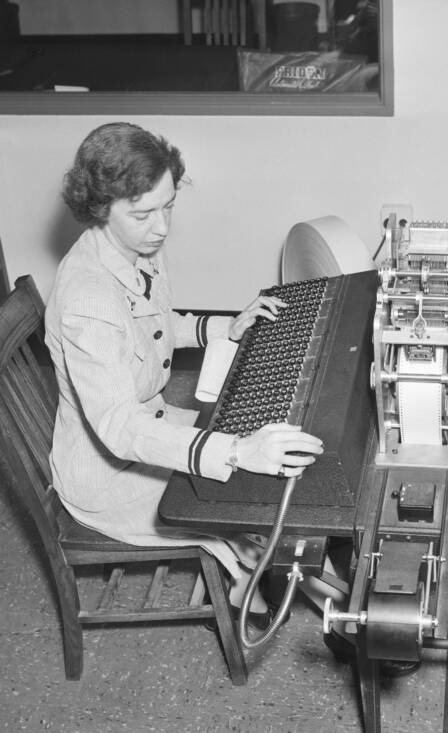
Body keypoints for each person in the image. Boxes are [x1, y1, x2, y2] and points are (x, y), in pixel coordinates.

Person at [44, 122, 324, 616]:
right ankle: (251, 572)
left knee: (254, 446)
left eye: (169, 205)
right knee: (239, 477)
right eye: (145, 213)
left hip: (149, 424)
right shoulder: (87, 298)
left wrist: (222, 329)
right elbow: (119, 429)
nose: (162, 226)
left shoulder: (132, 246)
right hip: (108, 470)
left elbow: (151, 321)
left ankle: (258, 562)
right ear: (99, 207)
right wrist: (236, 451)